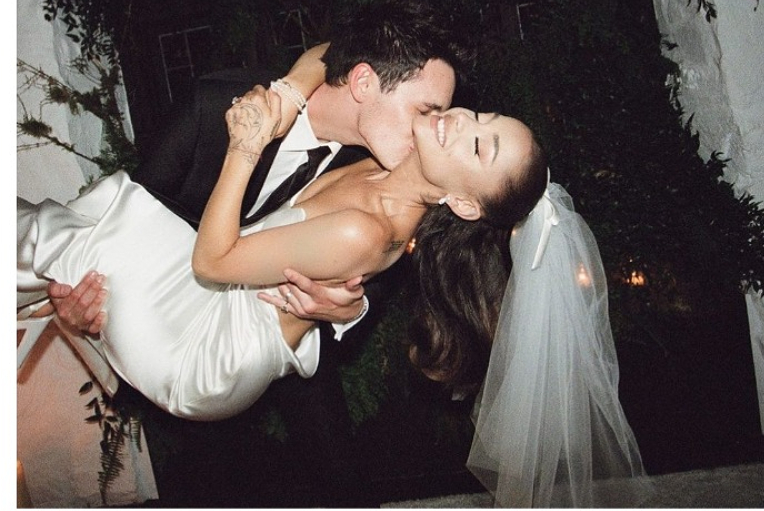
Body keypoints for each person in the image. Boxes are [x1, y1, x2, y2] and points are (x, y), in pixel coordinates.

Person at [18, 80, 548, 415]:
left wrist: (246, 145)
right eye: (484, 117)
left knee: (82, 235)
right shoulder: (380, 157)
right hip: (210, 286)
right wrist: (291, 90)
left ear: (464, 204)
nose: (463, 120)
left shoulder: (366, 232)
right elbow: (327, 55)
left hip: (204, 353)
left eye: (479, 146)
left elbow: (212, 262)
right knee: (84, 231)